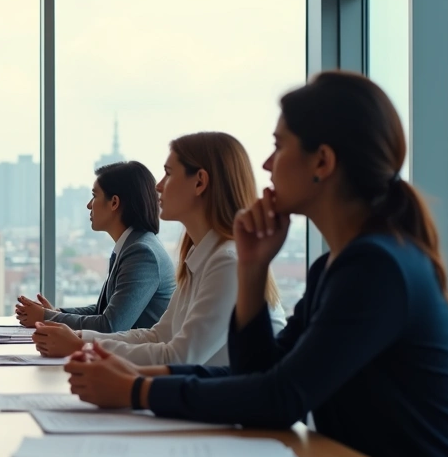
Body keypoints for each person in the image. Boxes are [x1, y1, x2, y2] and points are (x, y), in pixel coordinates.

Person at [61, 72, 448, 457]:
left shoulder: (377, 267)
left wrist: (138, 391)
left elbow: (280, 397)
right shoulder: (340, 264)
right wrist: (253, 270)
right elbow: (261, 373)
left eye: (279, 146)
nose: (266, 164)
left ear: (322, 162)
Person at [31, 133, 286, 365]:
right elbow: (158, 336)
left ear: (199, 183)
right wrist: (81, 338)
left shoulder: (227, 262)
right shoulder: (200, 258)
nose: (158, 186)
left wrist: (82, 345)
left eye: (168, 173)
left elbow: (178, 357)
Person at [15, 161, 174, 332]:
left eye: (95, 196)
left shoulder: (142, 253)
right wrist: (54, 313)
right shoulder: (132, 245)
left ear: (114, 203)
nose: (89, 205)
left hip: (140, 358)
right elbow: (104, 310)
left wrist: (46, 317)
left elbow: (110, 325)